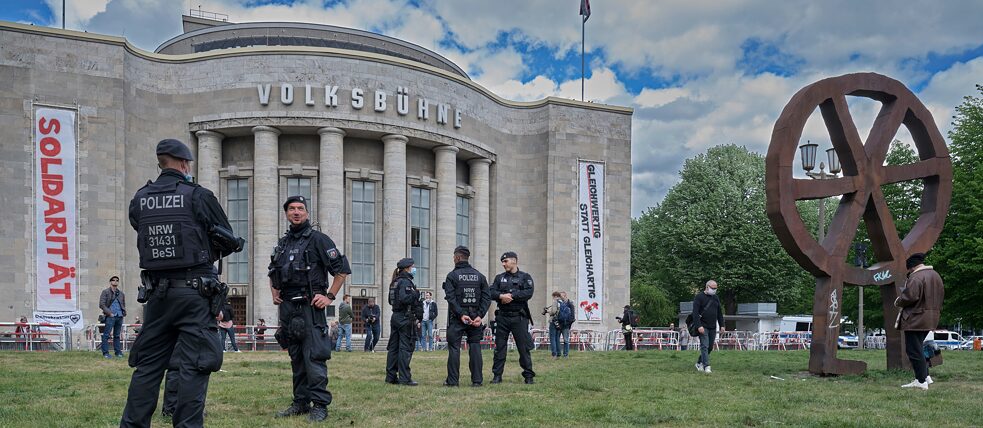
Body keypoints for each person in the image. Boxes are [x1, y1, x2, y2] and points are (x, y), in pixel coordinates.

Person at [121, 138, 244, 427]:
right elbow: (228, 237)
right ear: (185, 163)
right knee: (194, 365)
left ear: (160, 162)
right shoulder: (197, 195)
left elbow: (142, 228)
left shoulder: (140, 198)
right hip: (194, 294)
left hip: (158, 296)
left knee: (148, 367)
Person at [269, 195, 351, 422]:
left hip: (310, 307)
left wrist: (329, 296)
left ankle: (320, 405)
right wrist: (274, 291)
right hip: (288, 308)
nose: (296, 212)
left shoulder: (319, 239)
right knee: (296, 357)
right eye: (292, 209)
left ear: (307, 213)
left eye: (300, 208)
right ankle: (301, 402)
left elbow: (341, 269)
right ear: (286, 213)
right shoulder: (283, 243)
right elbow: (273, 270)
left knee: (314, 356)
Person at [442, 246, 490, 387]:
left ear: (457, 258)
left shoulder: (452, 276)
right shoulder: (480, 276)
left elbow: (451, 298)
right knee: (475, 347)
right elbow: (487, 298)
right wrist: (480, 315)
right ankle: (477, 381)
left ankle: (453, 381)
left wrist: (461, 314)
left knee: (454, 348)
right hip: (475, 317)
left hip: (457, 318)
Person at [896, 252, 944, 390]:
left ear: (911, 267)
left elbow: (910, 296)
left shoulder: (916, 277)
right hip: (931, 317)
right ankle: (926, 377)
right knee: (919, 347)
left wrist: (898, 301)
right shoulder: (936, 276)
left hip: (916, 318)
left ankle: (921, 381)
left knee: (913, 350)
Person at [490, 251, 536, 384]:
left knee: (523, 348)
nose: (503, 264)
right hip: (502, 317)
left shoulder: (525, 277)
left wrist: (511, 296)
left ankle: (528, 376)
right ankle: (497, 376)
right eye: (502, 262)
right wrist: (500, 296)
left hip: (519, 318)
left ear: (514, 261)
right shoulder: (499, 278)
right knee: (499, 348)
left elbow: (528, 292)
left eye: (506, 261)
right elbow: (491, 291)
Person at [385, 258, 421, 386]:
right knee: (405, 348)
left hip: (395, 317)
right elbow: (405, 298)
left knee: (394, 348)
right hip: (404, 318)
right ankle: (405, 378)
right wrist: (416, 294)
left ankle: (390, 377)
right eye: (413, 266)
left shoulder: (395, 282)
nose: (414, 269)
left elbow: (390, 300)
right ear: (407, 268)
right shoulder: (406, 282)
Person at [691, 280, 725, 373]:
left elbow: (719, 313)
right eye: (713, 288)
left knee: (710, 347)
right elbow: (695, 313)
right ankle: (706, 366)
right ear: (707, 287)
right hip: (703, 326)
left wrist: (722, 325)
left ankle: (699, 362)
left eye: (716, 288)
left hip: (713, 327)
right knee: (704, 346)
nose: (714, 290)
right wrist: (699, 326)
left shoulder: (716, 298)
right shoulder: (699, 297)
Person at [99, 276, 127, 359]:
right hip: (110, 316)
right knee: (106, 335)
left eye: (117, 280)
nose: (115, 282)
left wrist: (124, 312)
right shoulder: (105, 292)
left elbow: (123, 304)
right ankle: (105, 353)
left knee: (117, 335)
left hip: (119, 316)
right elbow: (102, 304)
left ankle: (118, 352)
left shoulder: (121, 293)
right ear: (110, 282)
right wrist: (109, 313)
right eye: (113, 280)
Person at [545, 291, 576, 358]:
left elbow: (572, 317)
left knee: (564, 340)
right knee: (557, 339)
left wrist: (567, 324)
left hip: (564, 325)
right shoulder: (561, 303)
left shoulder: (569, 304)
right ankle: (559, 354)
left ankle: (564, 354)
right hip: (559, 324)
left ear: (565, 296)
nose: (561, 298)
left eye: (562, 296)